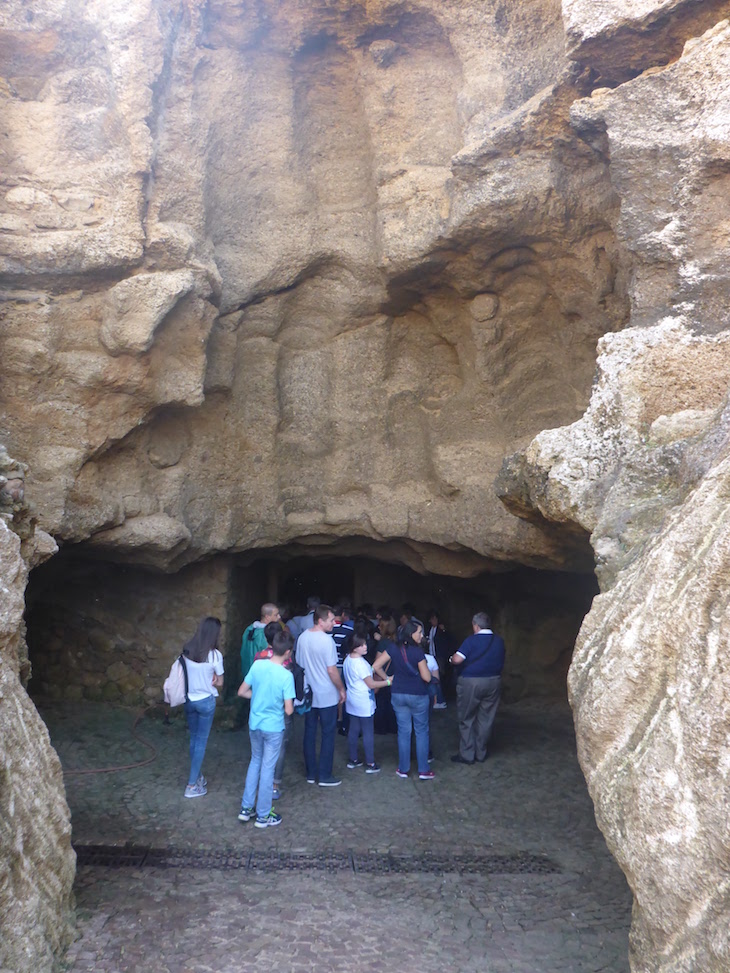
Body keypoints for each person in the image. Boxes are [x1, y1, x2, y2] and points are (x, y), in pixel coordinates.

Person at [237, 629, 296, 828]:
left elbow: (242, 691)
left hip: (255, 724)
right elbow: (288, 710)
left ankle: (246, 808)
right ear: (288, 652)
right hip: (273, 727)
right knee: (268, 769)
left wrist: (259, 697)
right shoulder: (286, 676)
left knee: (255, 762)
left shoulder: (258, 665)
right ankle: (263, 814)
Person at [373, 619, 434, 780]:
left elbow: (375, 666)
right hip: (418, 695)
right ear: (411, 634)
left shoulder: (393, 648)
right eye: (419, 632)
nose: (421, 635)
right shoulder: (418, 652)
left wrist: (388, 679)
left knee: (403, 732)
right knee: (421, 731)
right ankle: (423, 770)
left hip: (398, 693)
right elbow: (427, 677)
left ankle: (403, 768)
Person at [295, 604, 346, 786]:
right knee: (327, 734)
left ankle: (310, 773)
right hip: (326, 695)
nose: (334, 623)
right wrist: (341, 688)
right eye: (331, 620)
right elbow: (332, 671)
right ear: (321, 620)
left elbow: (299, 665)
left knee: (309, 732)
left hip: (309, 693)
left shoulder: (302, 638)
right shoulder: (327, 641)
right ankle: (324, 775)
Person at [449, 611, 506, 764]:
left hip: (471, 682)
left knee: (466, 717)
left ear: (476, 626)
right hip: (493, 681)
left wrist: (451, 658)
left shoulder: (471, 641)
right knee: (486, 718)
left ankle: (467, 754)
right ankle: (481, 752)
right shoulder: (499, 641)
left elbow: (457, 659)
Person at [181, 617, 224, 799]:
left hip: (189, 700)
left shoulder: (187, 650)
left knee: (194, 739)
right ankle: (191, 785)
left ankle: (197, 776)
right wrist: (214, 677)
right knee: (201, 742)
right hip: (205, 701)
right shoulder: (215, 656)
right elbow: (220, 682)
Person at [253, 621, 295, 801]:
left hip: (260, 707)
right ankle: (274, 785)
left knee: (258, 750)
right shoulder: (287, 660)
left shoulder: (259, 656)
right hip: (279, 710)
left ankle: (258, 783)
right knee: (279, 747)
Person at [343, 635, 391, 773]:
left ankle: (353, 759)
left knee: (354, 729)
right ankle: (370, 762)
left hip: (352, 698)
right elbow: (371, 684)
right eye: (361, 645)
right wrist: (388, 682)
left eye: (365, 644)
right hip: (363, 700)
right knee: (368, 731)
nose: (365, 647)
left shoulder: (348, 659)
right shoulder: (361, 663)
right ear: (354, 648)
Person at [373, 616, 398, 735]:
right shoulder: (397, 641)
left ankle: (381, 728)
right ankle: (393, 727)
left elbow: (377, 664)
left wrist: (385, 678)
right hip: (396, 675)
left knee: (381, 703)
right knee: (392, 704)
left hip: (385, 677)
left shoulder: (383, 643)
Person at [241, 603, 281, 678]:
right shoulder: (265, 634)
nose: (279, 617)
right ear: (267, 617)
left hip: (246, 672)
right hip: (260, 675)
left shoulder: (248, 629)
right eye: (276, 615)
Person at [427, 611, 450, 706]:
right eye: (431, 619)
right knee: (434, 677)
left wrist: (444, 630)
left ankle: (441, 699)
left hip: (439, 656)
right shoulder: (431, 629)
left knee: (438, 677)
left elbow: (447, 640)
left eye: (434, 619)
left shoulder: (441, 629)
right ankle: (437, 699)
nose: (432, 621)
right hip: (432, 654)